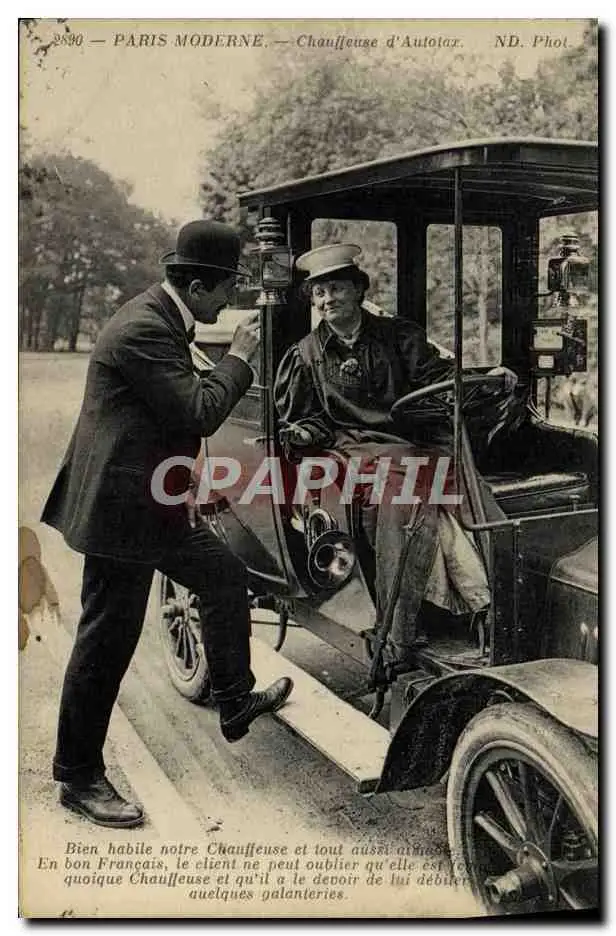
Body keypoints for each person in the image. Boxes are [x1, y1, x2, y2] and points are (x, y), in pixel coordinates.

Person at [42, 220, 293, 829]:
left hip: (151, 502)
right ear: (198, 286)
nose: (230, 303)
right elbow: (200, 411)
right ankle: (78, 777)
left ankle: (234, 699)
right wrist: (241, 357)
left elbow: (165, 415)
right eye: (227, 289)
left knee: (225, 577)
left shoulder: (163, 317)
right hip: (120, 515)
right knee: (107, 642)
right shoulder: (145, 327)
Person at [274, 244, 517, 664]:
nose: (327, 300)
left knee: (470, 489)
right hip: (357, 450)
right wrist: (303, 432)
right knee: (403, 499)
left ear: (358, 290)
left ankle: (504, 609)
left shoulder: (400, 336)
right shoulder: (305, 355)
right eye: (319, 293)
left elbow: (438, 376)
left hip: (413, 444)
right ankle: (399, 633)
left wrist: (484, 378)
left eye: (337, 288)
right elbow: (308, 419)